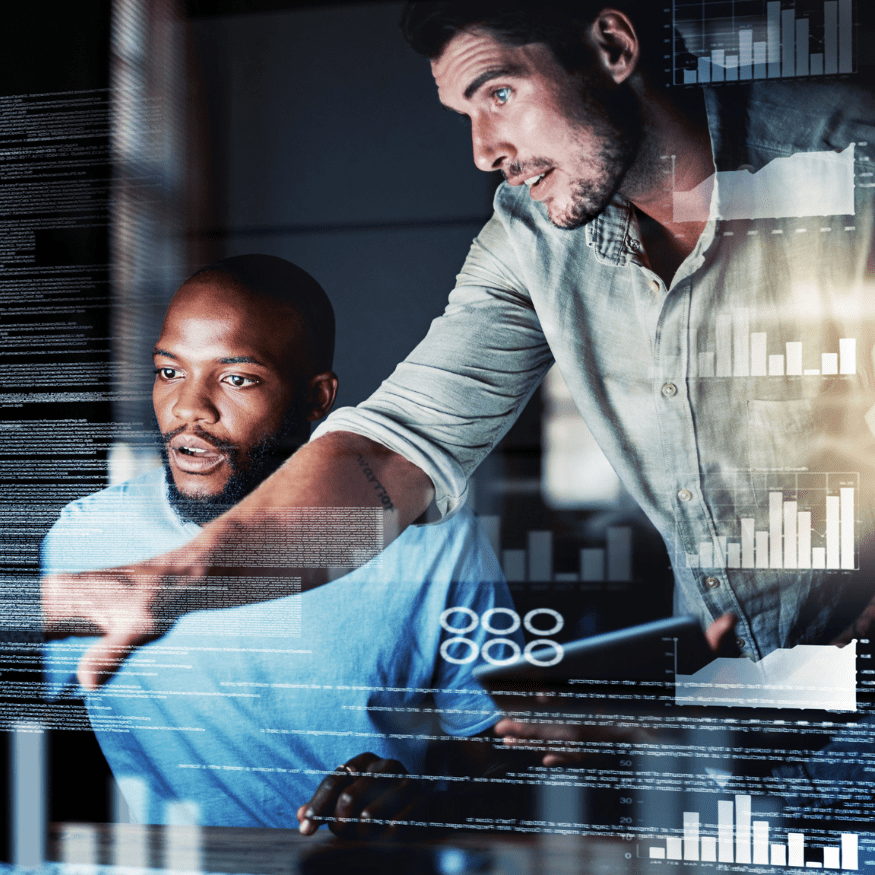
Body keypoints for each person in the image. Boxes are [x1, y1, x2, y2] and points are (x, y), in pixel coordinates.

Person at [42, 0, 875, 738]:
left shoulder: (850, 164)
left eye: (500, 93)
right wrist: (175, 583)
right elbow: (388, 456)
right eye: (464, 113)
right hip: (759, 745)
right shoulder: (530, 231)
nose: (482, 150)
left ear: (612, 48)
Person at [41, 254, 522, 829]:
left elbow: (507, 764)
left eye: (237, 378)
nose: (188, 408)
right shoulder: (86, 536)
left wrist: (426, 804)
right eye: (169, 371)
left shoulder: (432, 544)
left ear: (317, 398)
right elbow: (50, 754)